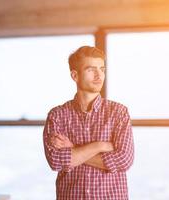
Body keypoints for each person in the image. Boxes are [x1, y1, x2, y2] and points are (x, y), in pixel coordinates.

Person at [43, 46, 134, 200]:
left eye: (102, 69)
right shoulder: (57, 115)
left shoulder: (119, 112)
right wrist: (100, 146)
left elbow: (124, 160)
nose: (99, 75)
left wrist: (73, 149)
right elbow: (56, 162)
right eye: (91, 70)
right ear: (75, 75)